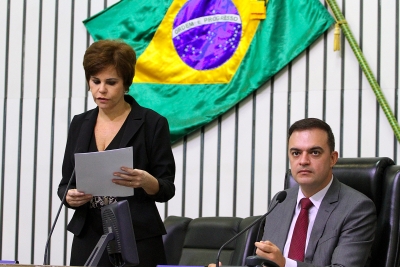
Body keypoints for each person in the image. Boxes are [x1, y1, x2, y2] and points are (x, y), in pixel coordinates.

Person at [57, 39, 175, 267]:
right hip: (88, 235)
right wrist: (69, 197)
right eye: (95, 81)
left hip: (137, 237)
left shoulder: (152, 123)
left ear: (126, 84)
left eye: (111, 82)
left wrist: (146, 181)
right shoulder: (80, 123)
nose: (101, 89)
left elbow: (167, 188)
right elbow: (65, 184)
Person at [210, 118, 376, 267]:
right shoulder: (281, 201)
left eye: (314, 152)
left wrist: (284, 264)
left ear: (333, 158)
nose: (303, 161)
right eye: (296, 153)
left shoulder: (357, 208)